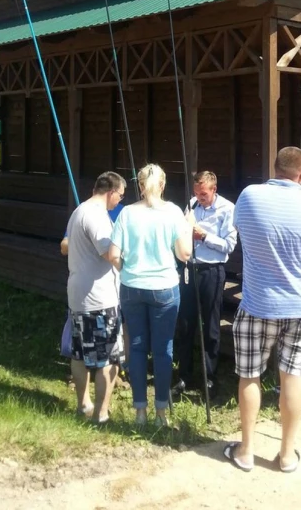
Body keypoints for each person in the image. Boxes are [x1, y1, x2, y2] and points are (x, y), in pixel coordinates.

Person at [225, 146, 301, 473]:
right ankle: (287, 455)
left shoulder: (249, 196)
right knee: (294, 379)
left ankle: (246, 450)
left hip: (257, 303)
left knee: (249, 376)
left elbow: (242, 233)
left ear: (274, 167)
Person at [109, 163, 192, 427]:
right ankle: (161, 414)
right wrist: (188, 227)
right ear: (163, 185)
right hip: (164, 287)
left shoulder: (126, 213)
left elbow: (113, 254)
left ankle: (139, 412)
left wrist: (128, 270)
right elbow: (185, 254)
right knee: (163, 349)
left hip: (132, 286)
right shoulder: (174, 213)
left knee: (136, 346)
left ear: (140, 186)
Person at [65, 171, 127, 424]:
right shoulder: (98, 216)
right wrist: (132, 267)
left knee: (79, 353)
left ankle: (83, 404)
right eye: (120, 196)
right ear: (111, 192)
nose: (119, 201)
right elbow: (110, 254)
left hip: (78, 294)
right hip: (99, 298)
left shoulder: (79, 210)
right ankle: (101, 414)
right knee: (108, 358)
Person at [173, 170, 237, 398]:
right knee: (186, 323)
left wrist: (204, 236)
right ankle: (183, 375)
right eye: (196, 193)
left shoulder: (227, 209)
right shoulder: (191, 205)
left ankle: (209, 377)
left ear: (214, 190)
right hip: (190, 269)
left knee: (210, 325)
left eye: (203, 194)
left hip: (212, 271)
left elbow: (229, 245)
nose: (199, 198)